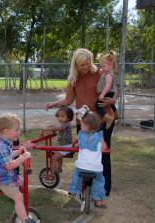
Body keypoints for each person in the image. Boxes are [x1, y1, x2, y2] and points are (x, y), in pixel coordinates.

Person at [45, 48, 117, 196]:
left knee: (102, 154)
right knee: (85, 154)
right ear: (76, 65)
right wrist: (53, 104)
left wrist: (114, 99)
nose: (85, 66)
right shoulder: (73, 80)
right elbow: (68, 100)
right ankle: (87, 187)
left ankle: (104, 189)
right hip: (83, 123)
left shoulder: (100, 73)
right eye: (82, 65)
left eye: (87, 63)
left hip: (103, 119)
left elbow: (114, 87)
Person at [0, 113, 40, 223]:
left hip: (9, 177)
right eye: (16, 130)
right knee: (18, 196)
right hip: (2, 180)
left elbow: (8, 155)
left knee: (24, 183)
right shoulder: (1, 146)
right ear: (5, 131)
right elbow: (9, 165)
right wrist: (23, 157)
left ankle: (20, 208)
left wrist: (19, 152)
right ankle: (25, 221)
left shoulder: (5, 142)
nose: (19, 132)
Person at [68, 111, 107, 208]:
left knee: (76, 174)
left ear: (87, 125)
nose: (80, 125)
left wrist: (78, 114)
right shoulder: (99, 136)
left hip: (81, 166)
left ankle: (74, 191)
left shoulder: (80, 135)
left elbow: (77, 143)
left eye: (82, 124)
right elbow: (104, 148)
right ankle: (98, 199)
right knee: (99, 180)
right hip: (96, 168)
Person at [42, 106, 74, 181]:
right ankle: (59, 168)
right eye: (58, 116)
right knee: (58, 156)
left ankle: (52, 175)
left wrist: (47, 129)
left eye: (62, 116)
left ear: (68, 118)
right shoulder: (64, 124)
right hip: (63, 146)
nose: (60, 118)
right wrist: (53, 128)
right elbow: (58, 128)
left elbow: (59, 128)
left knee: (54, 158)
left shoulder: (66, 124)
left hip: (66, 146)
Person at [96, 51, 119, 129]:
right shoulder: (111, 72)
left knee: (98, 105)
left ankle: (108, 118)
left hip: (107, 92)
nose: (102, 68)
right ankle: (116, 114)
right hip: (110, 93)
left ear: (111, 65)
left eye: (104, 66)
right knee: (110, 103)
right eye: (101, 66)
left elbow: (108, 85)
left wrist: (102, 94)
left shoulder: (108, 75)